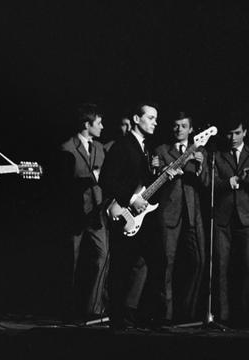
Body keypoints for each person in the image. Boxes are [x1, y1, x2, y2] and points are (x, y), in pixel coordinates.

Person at [100, 102, 174, 329]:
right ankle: (118, 318)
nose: (155, 122)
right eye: (150, 118)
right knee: (122, 266)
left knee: (158, 261)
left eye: (156, 118)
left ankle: (149, 316)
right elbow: (106, 180)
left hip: (144, 217)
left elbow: (145, 185)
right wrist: (132, 200)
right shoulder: (122, 146)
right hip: (125, 215)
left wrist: (165, 176)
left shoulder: (146, 148)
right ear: (136, 119)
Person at [152, 112, 208, 325]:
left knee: (199, 262)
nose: (179, 130)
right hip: (168, 212)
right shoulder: (162, 151)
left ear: (191, 129)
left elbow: (206, 184)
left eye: (183, 126)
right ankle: (165, 314)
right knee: (167, 263)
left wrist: (201, 166)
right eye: (175, 126)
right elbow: (154, 182)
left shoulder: (200, 150)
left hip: (193, 214)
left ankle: (187, 313)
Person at [59, 103, 109, 323]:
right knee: (72, 261)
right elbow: (63, 183)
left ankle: (94, 310)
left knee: (102, 256)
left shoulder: (100, 148)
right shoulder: (67, 148)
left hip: (97, 212)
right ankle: (69, 310)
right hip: (75, 213)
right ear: (87, 125)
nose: (102, 126)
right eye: (98, 123)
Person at [213, 114, 249, 328]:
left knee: (245, 267)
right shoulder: (217, 155)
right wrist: (230, 181)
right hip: (222, 219)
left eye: (237, 133)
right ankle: (223, 317)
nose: (233, 137)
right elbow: (211, 184)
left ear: (245, 132)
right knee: (221, 268)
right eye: (230, 133)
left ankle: (243, 317)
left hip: (246, 218)